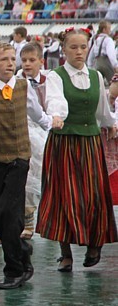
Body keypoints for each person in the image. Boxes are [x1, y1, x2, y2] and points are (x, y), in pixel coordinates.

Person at [0, 43, 54, 290]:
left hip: (19, 158)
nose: (9, 63)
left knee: (9, 211)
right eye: (3, 59)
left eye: (11, 59)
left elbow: (37, 113)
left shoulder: (23, 86)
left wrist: (52, 122)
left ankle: (14, 269)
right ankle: (21, 248)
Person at [37, 28, 118, 271]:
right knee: (64, 194)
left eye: (83, 47)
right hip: (64, 142)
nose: (79, 52)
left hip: (90, 142)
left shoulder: (95, 76)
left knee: (93, 194)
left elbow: (102, 110)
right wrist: (58, 115)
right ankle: (65, 252)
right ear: (64, 50)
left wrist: (111, 124)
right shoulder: (56, 76)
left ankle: (95, 243)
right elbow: (54, 100)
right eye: (73, 47)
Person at [16, 43, 49, 240]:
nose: (27, 64)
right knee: (26, 178)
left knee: (45, 177)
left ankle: (46, 218)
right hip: (22, 131)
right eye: (24, 60)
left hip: (45, 131)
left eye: (32, 60)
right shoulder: (15, 80)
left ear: (41, 61)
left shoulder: (49, 80)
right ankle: (27, 220)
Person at [87, 20, 117, 86]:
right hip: (106, 63)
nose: (110, 30)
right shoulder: (108, 40)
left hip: (97, 64)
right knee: (114, 83)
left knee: (97, 84)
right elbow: (111, 54)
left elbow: (91, 55)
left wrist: (90, 66)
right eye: (109, 28)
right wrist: (116, 66)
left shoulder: (96, 40)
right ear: (104, 29)